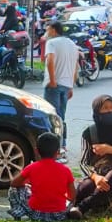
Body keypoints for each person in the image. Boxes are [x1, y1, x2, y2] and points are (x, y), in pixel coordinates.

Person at [8, 131, 80, 221]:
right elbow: (72, 196)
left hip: (35, 213)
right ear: (58, 152)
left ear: (36, 151)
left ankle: (18, 212)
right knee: (72, 196)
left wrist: (27, 183)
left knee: (13, 190)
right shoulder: (65, 170)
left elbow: (14, 183)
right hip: (58, 214)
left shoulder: (31, 167)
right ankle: (71, 212)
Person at [43, 20, 78, 151]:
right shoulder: (72, 44)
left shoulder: (51, 43)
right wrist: (71, 86)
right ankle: (63, 145)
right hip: (66, 85)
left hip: (54, 85)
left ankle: (55, 147)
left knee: (52, 117)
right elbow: (75, 67)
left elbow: (50, 61)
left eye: (48, 30)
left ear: (53, 30)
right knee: (61, 116)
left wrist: (52, 80)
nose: (47, 32)